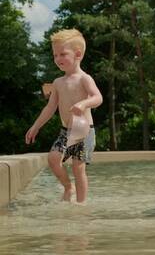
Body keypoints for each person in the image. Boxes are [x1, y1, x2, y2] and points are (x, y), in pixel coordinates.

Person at [25, 29, 103, 203]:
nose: (58, 58)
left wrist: (83, 104)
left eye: (62, 54)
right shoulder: (58, 82)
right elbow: (50, 107)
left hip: (84, 132)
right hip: (66, 131)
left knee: (78, 168)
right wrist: (36, 126)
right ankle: (69, 187)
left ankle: (81, 204)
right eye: (55, 55)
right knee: (53, 159)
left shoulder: (85, 79)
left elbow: (98, 98)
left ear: (77, 54)